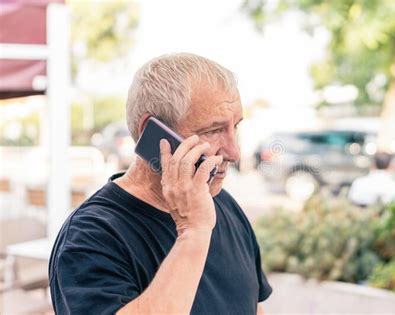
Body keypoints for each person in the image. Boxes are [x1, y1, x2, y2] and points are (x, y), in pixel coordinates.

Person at [49, 53, 272, 314]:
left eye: (235, 128)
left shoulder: (223, 204)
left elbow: (252, 307)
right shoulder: (90, 236)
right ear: (153, 134)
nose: (234, 153)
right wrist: (193, 232)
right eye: (213, 130)